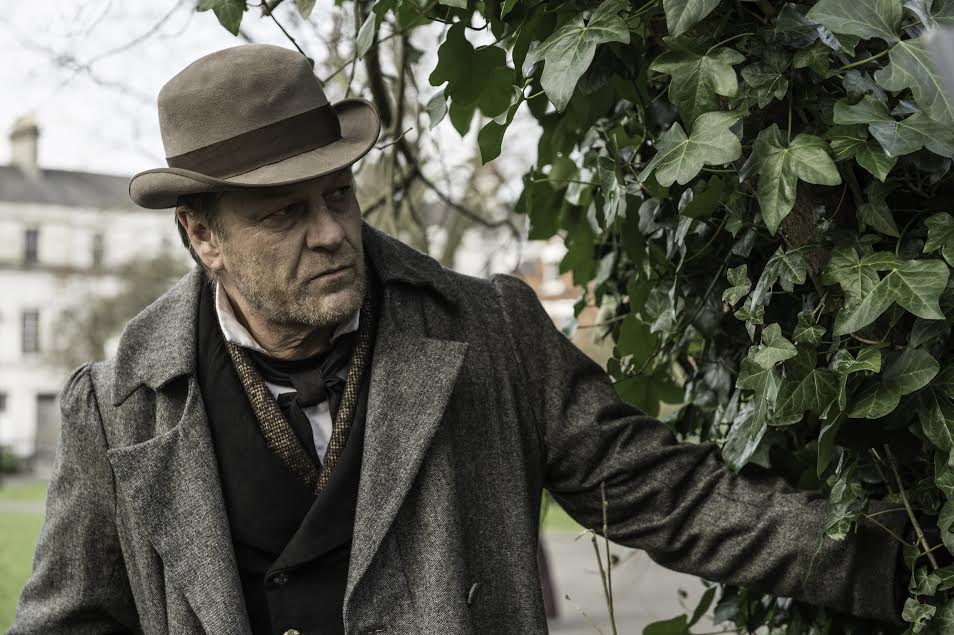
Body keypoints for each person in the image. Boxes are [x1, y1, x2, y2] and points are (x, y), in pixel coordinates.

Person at [12, 43, 910, 634]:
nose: (331, 232)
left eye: (338, 194)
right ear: (202, 236)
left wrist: (908, 561)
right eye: (284, 213)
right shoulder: (118, 408)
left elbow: (676, 498)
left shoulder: (492, 334)